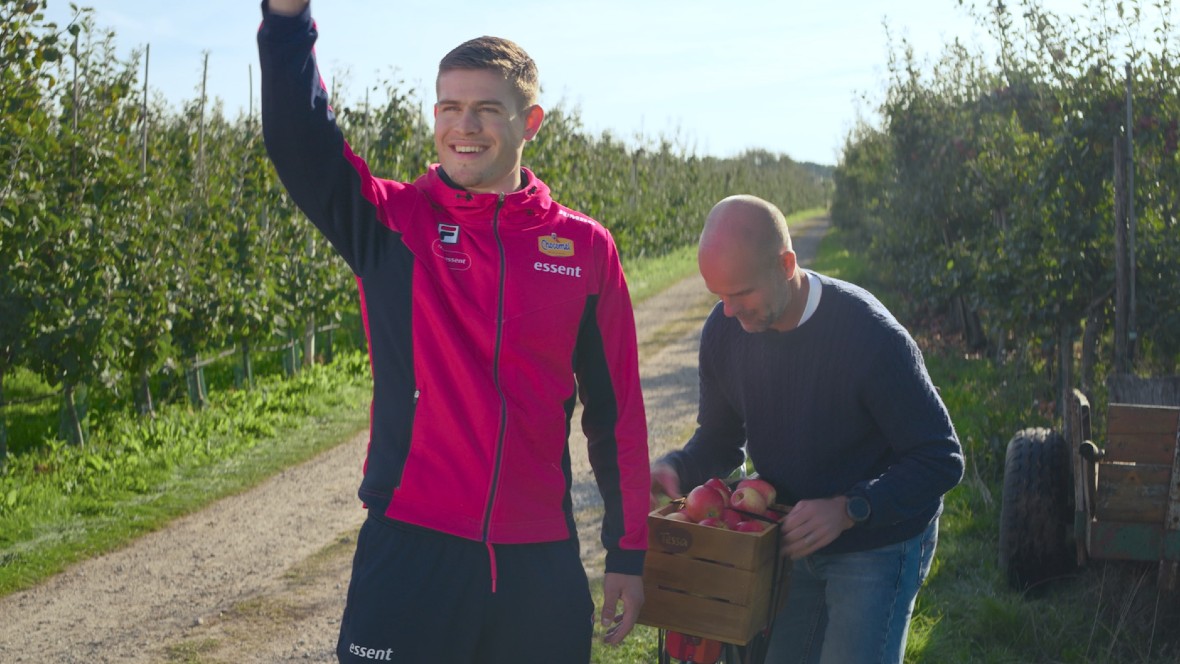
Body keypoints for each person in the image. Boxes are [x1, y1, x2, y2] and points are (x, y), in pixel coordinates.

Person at [257, 2, 651, 661]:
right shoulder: (392, 223)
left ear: (530, 123)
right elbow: (301, 141)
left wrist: (628, 553)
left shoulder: (585, 248)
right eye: (449, 107)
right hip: (410, 552)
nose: (464, 127)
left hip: (538, 563)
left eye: (487, 109)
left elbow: (617, 416)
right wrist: (287, 19)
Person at [651, 195, 964, 663]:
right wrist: (677, 466)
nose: (729, 311)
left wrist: (851, 508)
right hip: (793, 533)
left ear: (786, 265)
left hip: (878, 536)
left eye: (741, 293)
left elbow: (941, 458)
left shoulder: (869, 336)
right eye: (719, 295)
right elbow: (720, 439)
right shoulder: (725, 329)